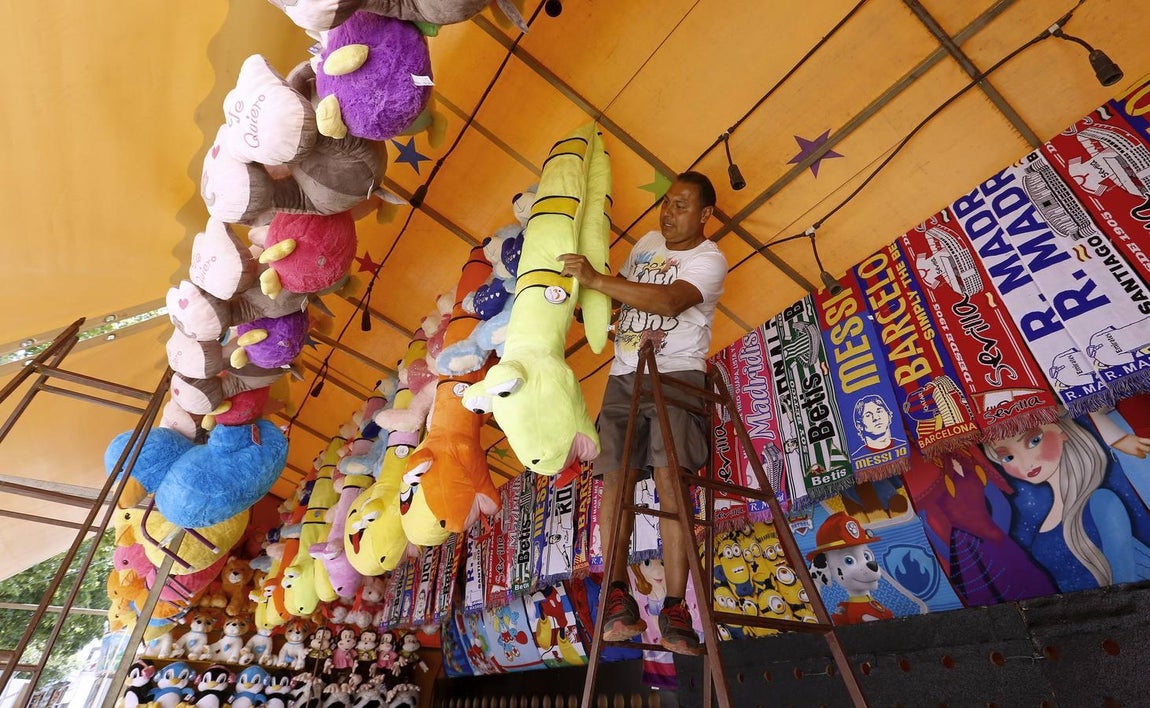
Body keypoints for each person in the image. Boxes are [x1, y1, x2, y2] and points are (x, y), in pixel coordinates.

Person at [557, 171, 727, 655]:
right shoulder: (648, 242)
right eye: (666, 203)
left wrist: (594, 277)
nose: (668, 214)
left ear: (705, 214)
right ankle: (616, 598)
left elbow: (670, 302)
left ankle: (674, 607)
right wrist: (580, 298)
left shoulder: (709, 260)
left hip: (677, 376)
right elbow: (623, 295)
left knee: (671, 480)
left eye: (681, 206)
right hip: (623, 375)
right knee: (615, 478)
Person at [983, 414, 1150, 592]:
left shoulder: (1102, 502)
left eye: (1034, 440)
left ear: (1063, 431)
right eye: (1008, 457)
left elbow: (1126, 580)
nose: (1026, 463)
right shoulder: (1045, 524)